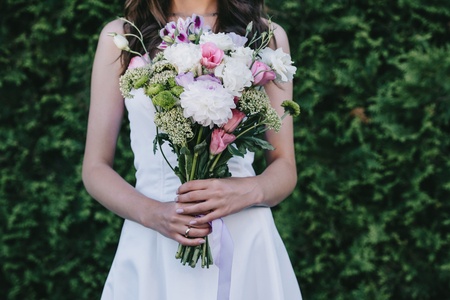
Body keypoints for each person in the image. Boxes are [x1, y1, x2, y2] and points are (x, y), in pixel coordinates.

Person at [82, 0, 302, 299]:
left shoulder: (267, 36)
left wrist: (249, 190)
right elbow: (95, 168)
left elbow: (285, 167)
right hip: (154, 242)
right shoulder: (124, 37)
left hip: (246, 243)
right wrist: (154, 214)